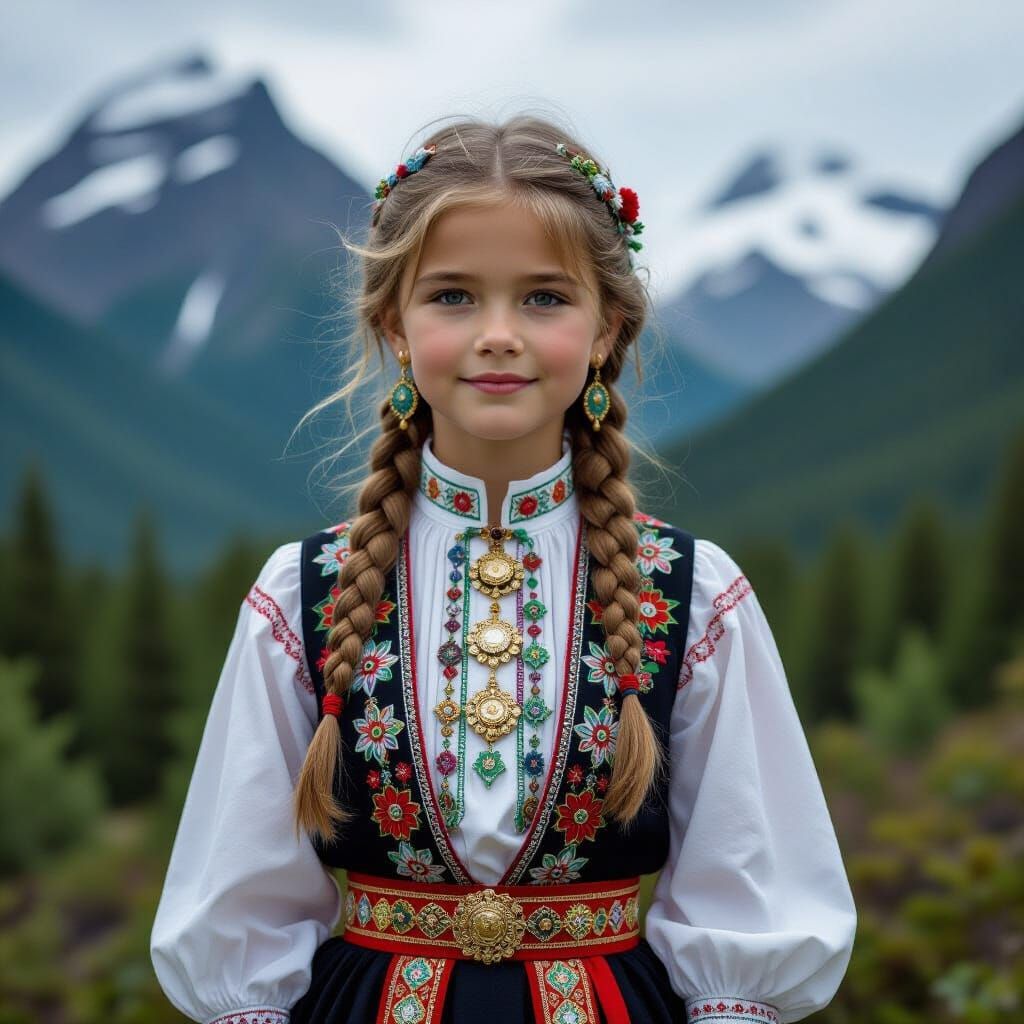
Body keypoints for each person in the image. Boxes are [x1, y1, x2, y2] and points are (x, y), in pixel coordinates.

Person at [150, 115, 856, 1024]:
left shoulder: (692, 591)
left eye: (543, 299)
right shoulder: (305, 592)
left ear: (608, 331)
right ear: (392, 328)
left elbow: (751, 889)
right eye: (451, 297)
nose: (497, 334)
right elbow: (238, 901)